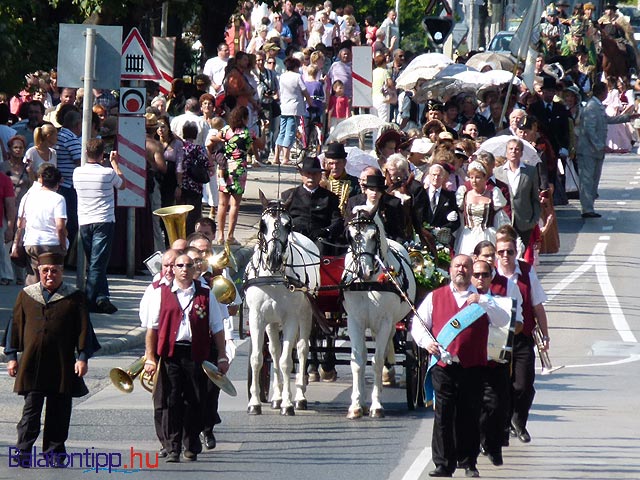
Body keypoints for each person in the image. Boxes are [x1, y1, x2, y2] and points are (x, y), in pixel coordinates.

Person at [411, 254, 510, 478]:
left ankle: (468, 462)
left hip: (473, 366)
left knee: (469, 415)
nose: (461, 270)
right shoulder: (436, 297)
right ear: (450, 270)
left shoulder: (483, 299)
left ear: (470, 271)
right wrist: (427, 342)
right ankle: (443, 464)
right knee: (443, 415)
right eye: (457, 266)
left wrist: (483, 301)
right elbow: (418, 324)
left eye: (466, 267)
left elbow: (503, 320)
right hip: (444, 367)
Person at [5, 252, 99, 468]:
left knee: (59, 413)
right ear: (39, 271)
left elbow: (84, 329)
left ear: (61, 272)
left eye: (54, 271)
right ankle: (23, 451)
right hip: (32, 364)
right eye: (45, 271)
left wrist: (82, 357)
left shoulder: (74, 297)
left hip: (62, 364)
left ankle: (54, 453)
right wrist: (11, 357)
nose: (50, 275)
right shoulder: (26, 295)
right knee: (30, 412)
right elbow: (15, 327)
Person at [143, 253, 228, 463]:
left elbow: (217, 327)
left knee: (196, 400)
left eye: (188, 265)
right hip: (171, 354)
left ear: (194, 269)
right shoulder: (160, 293)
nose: (183, 269)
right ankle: (173, 448)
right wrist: (150, 357)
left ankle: (191, 445)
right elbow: (152, 329)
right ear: (174, 269)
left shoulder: (206, 294)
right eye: (179, 265)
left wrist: (223, 356)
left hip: (196, 353)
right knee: (171, 400)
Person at [472, 242, 523, 467]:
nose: (481, 277)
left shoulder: (507, 286)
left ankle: (493, 442)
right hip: (471, 360)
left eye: (486, 273)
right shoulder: (463, 289)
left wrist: (506, 332)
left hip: (496, 358)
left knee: (497, 406)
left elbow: (518, 320)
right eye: (478, 273)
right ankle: (479, 444)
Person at [495, 234, 549, 444]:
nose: (505, 256)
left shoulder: (526, 272)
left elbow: (537, 305)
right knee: (501, 385)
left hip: (522, 336)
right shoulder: (490, 274)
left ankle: (519, 421)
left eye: (509, 251)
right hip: (497, 339)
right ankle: (505, 421)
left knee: (524, 384)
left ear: (515, 253)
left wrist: (545, 335)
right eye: (501, 252)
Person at [73, 138, 126, 314]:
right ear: (102, 153)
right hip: (103, 220)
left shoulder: (77, 173)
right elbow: (122, 184)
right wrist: (114, 164)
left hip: (85, 221)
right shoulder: (107, 173)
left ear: (86, 152)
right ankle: (88, 301)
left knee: (96, 263)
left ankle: (103, 299)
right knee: (97, 264)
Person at [577, 81, 637, 218]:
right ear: (603, 92)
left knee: (593, 179)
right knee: (587, 180)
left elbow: (607, 120)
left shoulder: (597, 106)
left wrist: (628, 117)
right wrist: (600, 145)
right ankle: (586, 209)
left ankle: (589, 207)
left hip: (595, 151)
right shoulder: (592, 107)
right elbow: (589, 129)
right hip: (588, 151)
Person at [210, 105, 263, 245]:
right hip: (239, 168)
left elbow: (213, 138)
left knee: (222, 203)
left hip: (224, 168)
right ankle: (230, 236)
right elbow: (261, 145)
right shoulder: (248, 133)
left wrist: (221, 141)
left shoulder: (227, 130)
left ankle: (220, 235)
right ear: (245, 118)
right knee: (234, 205)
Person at [281, 156, 343, 254]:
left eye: (314, 174)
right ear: (302, 174)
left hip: (319, 239)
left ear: (320, 175)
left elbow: (337, 221)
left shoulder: (330, 197)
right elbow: (282, 220)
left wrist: (326, 231)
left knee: (322, 249)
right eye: (308, 174)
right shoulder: (288, 196)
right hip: (295, 238)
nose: (311, 177)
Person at [18, 164, 67, 286]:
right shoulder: (58, 199)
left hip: (31, 243)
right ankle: (49, 302)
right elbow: (60, 226)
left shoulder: (28, 196)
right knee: (51, 280)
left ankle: (31, 302)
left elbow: (20, 223)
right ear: (57, 183)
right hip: (51, 244)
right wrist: (63, 245)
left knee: (33, 278)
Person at [493, 138, 540, 247]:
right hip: (504, 220)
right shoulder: (497, 172)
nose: (513, 151)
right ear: (506, 152)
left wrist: (534, 221)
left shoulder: (530, 171)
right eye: (511, 149)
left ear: (521, 153)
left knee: (522, 254)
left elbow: (535, 198)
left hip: (524, 221)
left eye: (517, 149)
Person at [344, 170, 406, 242]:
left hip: (387, 241)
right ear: (366, 190)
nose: (374, 193)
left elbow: (398, 230)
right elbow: (347, 226)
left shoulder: (393, 204)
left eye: (378, 190)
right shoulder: (353, 202)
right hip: (359, 241)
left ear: (382, 192)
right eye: (371, 189)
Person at [274, 57, 313, 165]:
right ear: (296, 67)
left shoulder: (282, 76)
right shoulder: (297, 77)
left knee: (282, 132)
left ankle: (276, 157)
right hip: (294, 108)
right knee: (290, 132)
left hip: (284, 107)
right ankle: (286, 157)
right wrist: (310, 103)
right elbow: (304, 91)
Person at [422, 163, 460, 249]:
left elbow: (456, 222)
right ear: (429, 176)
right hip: (422, 238)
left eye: (439, 175)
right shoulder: (421, 193)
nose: (436, 178)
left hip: (441, 241)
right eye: (434, 175)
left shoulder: (449, 196)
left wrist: (442, 231)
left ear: (443, 177)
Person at [322, 142, 360, 215]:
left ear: (344, 163)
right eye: (331, 163)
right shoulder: (321, 182)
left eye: (338, 163)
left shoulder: (355, 183)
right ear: (326, 164)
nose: (335, 167)